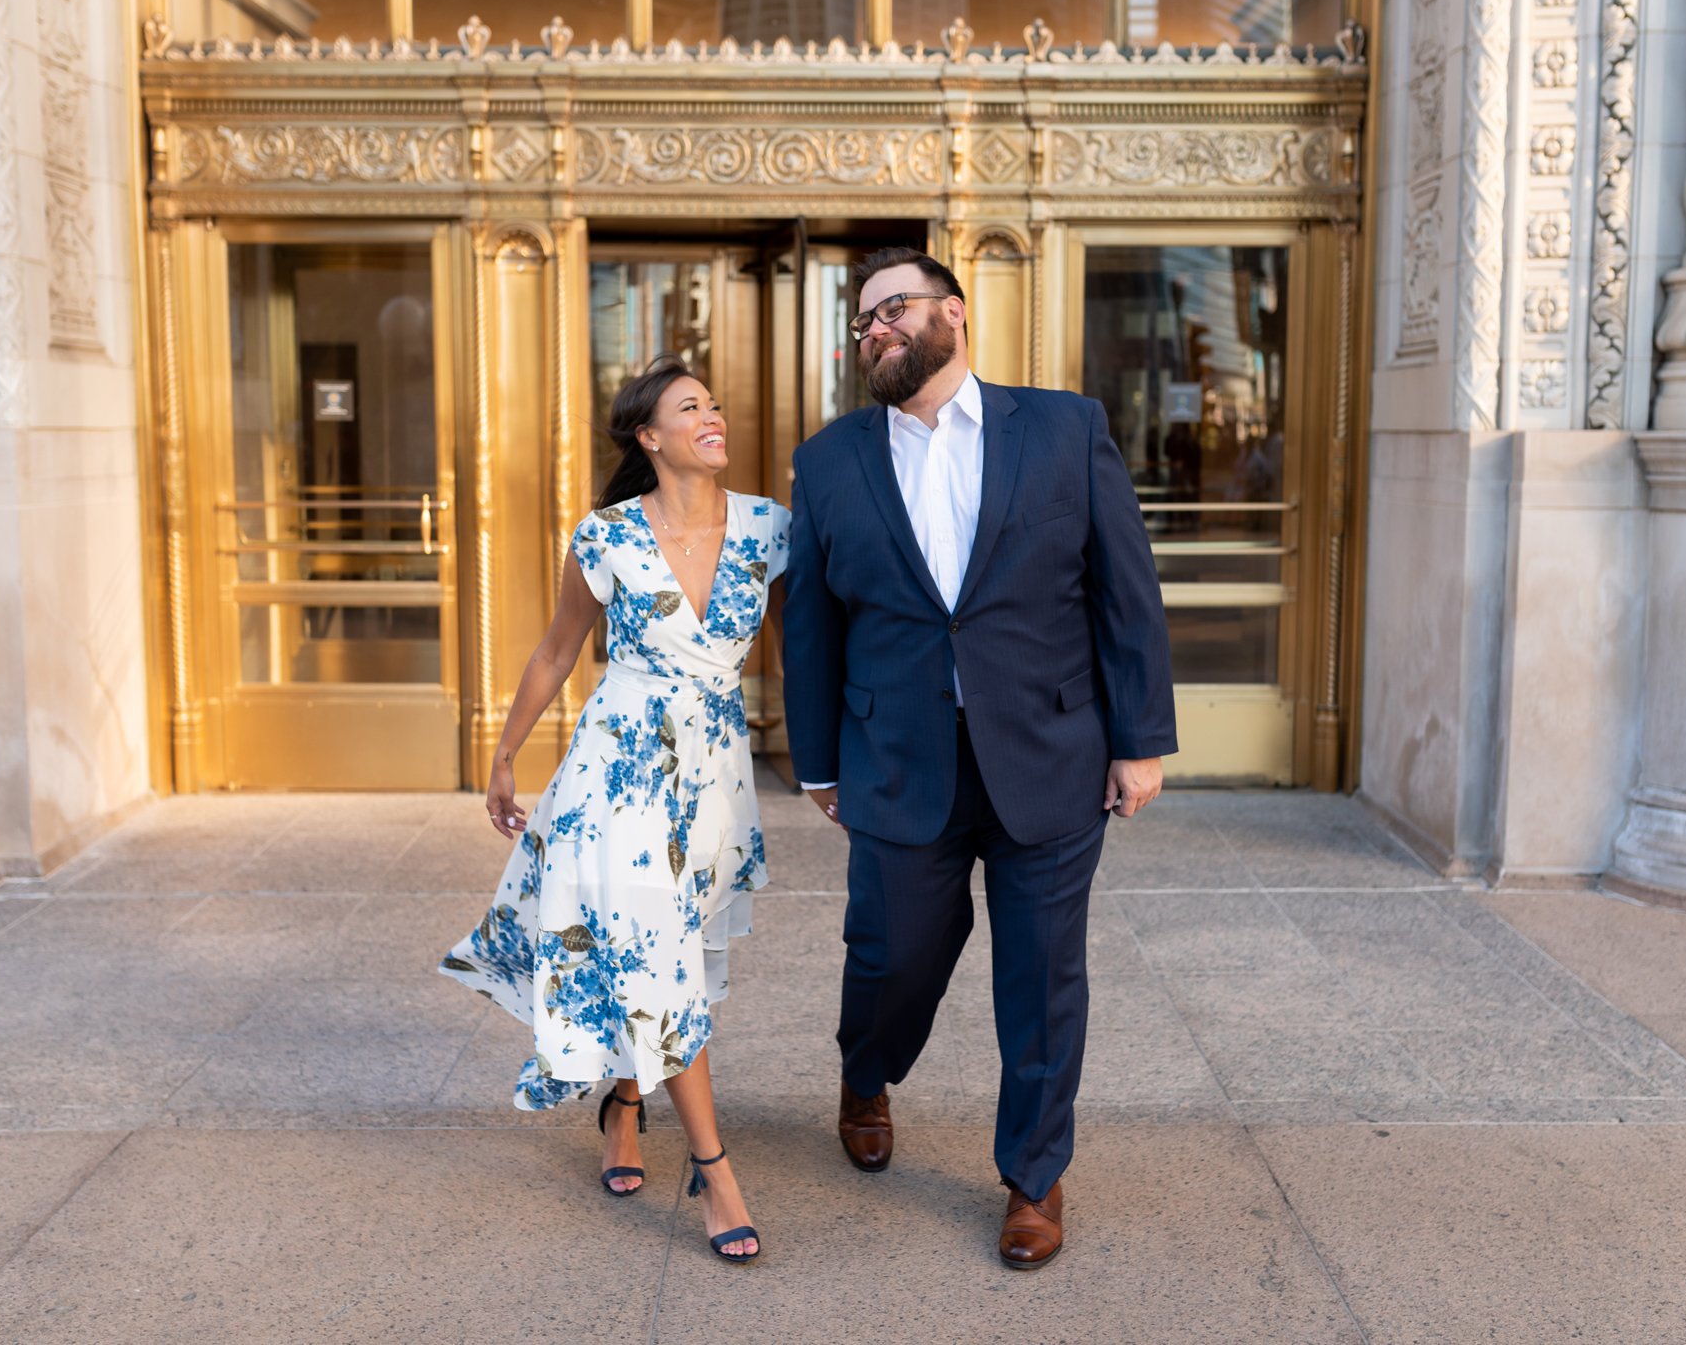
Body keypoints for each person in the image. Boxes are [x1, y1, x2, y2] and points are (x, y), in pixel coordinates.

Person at [782, 247, 1177, 1270]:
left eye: (891, 310)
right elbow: (814, 626)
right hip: (896, 755)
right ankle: (865, 1069)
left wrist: (1139, 740)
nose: (873, 330)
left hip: (1049, 751)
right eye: (860, 321)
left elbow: (1121, 592)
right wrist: (815, 758)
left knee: (1042, 975)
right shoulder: (828, 461)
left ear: (953, 314)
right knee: (891, 952)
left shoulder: (1061, 427)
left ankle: (1033, 1175)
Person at [440, 355, 788, 1265]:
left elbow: (805, 655)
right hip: (619, 775)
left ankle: (625, 1102)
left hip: (713, 777)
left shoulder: (769, 529)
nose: (713, 416)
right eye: (689, 407)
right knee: (657, 955)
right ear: (649, 436)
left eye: (715, 403)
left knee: (670, 950)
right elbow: (558, 652)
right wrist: (507, 753)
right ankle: (716, 1174)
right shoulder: (606, 537)